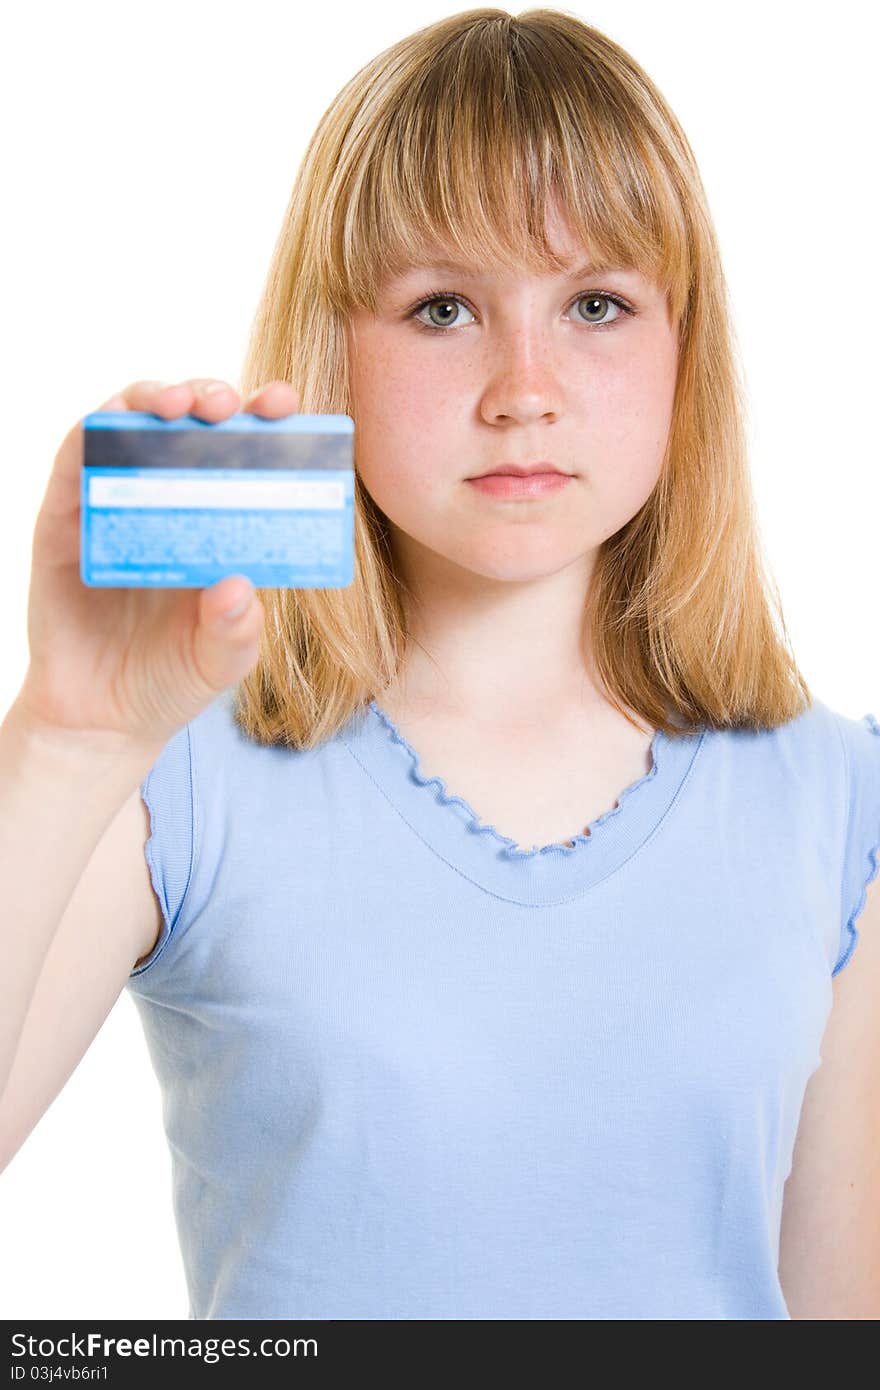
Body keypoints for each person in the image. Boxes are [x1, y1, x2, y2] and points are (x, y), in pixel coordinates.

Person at [1, 7, 878, 1322]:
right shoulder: (178, 769)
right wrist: (65, 738)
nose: (523, 386)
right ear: (333, 345)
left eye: (595, 303)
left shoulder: (833, 796)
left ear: (683, 354)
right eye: (444, 306)